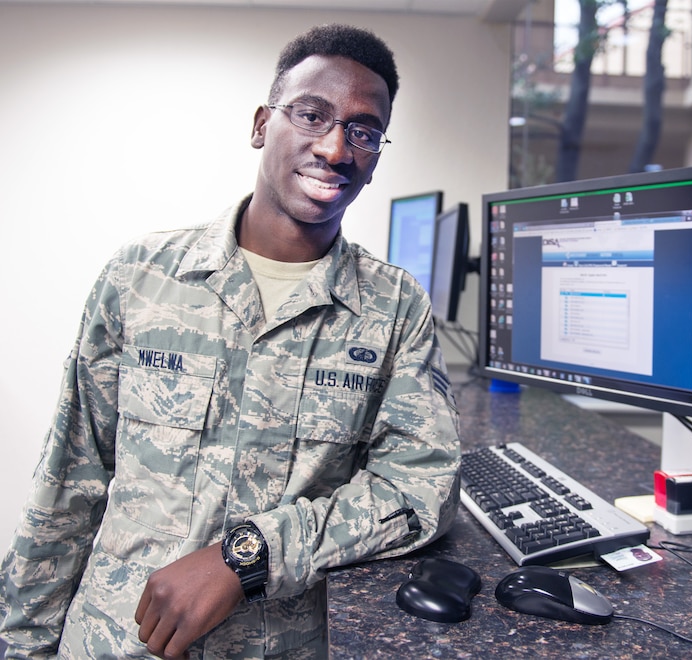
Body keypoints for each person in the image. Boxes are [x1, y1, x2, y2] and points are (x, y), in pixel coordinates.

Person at [0, 23, 461, 659]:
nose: (334, 147)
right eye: (311, 114)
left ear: (376, 154)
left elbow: (422, 487)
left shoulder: (394, 306)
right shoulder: (141, 276)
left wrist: (247, 556)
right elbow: (68, 483)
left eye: (363, 130)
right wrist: (21, 644)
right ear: (260, 125)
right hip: (115, 641)